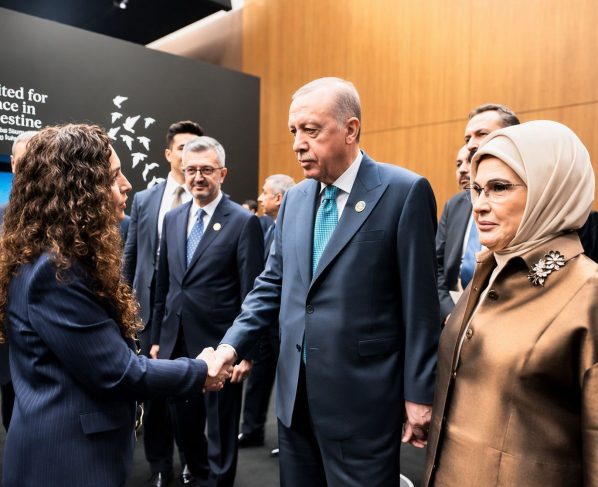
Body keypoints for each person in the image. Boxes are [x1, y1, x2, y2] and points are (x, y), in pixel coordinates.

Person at [215, 77, 440, 486]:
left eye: (311, 130)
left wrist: (419, 394)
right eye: (293, 131)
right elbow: (272, 283)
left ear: (351, 129)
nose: (298, 144)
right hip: (294, 401)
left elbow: (420, 305)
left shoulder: (404, 192)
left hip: (364, 403)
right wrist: (231, 346)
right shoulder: (296, 200)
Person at [0, 124, 229, 487]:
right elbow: (120, 372)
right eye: (112, 177)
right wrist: (201, 370)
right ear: (78, 190)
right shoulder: (53, 272)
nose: (126, 185)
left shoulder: (58, 258)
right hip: (67, 463)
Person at [423, 120, 597, 486]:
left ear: (551, 190)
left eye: (499, 188)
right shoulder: (487, 271)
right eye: (477, 189)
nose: (479, 206)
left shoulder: (588, 293)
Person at [150, 136, 264, 487]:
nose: (198, 177)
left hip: (222, 346)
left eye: (206, 170)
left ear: (222, 174)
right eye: (191, 170)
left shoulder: (242, 222)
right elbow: (164, 285)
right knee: (183, 423)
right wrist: (156, 339)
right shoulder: (172, 219)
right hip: (176, 344)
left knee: (221, 430)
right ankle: (198, 475)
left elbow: (253, 292)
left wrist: (245, 352)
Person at [123, 120, 204, 487]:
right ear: (169, 153)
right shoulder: (145, 198)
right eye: (183, 147)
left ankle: (191, 460)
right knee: (152, 392)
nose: (190, 154)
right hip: (147, 311)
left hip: (186, 313)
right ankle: (159, 465)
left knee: (189, 391)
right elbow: (132, 254)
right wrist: (124, 304)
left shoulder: (207, 197)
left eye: (196, 147)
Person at [437, 104, 520, 325]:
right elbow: (436, 266)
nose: (471, 144)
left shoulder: (527, 198)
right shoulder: (454, 205)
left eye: (481, 134)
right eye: (467, 138)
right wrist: (449, 314)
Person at [238, 174, 295, 455]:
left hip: (288, 322)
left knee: (289, 382)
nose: (259, 198)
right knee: (259, 378)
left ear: (279, 198)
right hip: (267, 318)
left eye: (264, 192)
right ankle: (251, 430)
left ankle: (291, 440)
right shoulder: (267, 226)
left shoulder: (296, 226)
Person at [0, 130, 38, 431]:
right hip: (7, 341)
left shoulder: (63, 216)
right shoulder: (1, 215)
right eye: (24, 161)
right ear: (13, 164)